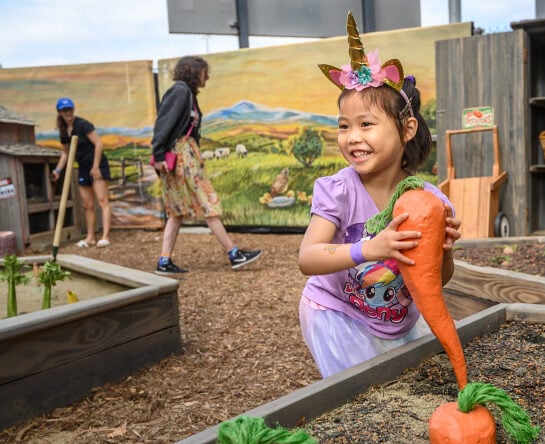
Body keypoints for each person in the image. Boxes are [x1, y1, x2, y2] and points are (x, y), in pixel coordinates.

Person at [297, 13, 461, 378]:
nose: (352, 137)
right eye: (344, 126)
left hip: (397, 318)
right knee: (363, 397)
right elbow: (308, 258)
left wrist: (444, 251)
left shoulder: (429, 198)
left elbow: (439, 280)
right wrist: (368, 249)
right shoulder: (337, 190)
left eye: (366, 124)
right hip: (336, 312)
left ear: (407, 129)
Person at [150, 55, 261, 275]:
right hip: (181, 156)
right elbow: (163, 124)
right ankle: (233, 253)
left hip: (184, 155)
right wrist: (159, 154)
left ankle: (164, 261)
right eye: (204, 71)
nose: (206, 76)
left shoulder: (187, 94)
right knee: (207, 200)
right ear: (193, 71)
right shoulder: (180, 92)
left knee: (177, 210)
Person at [51, 97, 112, 248]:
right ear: (60, 113)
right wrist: (58, 170)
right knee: (87, 204)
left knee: (102, 200)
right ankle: (90, 237)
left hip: (97, 165)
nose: (68, 112)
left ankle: (105, 236)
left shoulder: (83, 124)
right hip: (83, 166)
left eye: (70, 109)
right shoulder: (64, 131)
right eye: (65, 110)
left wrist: (96, 166)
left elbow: (98, 144)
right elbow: (66, 153)